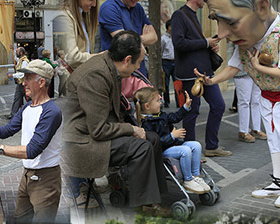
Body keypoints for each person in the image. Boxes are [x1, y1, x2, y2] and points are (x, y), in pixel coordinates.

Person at [200, 0, 280, 207]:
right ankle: (278, 182)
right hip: (270, 97)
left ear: (261, 7)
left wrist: (258, 68)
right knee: (274, 140)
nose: (222, 32)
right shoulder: (247, 39)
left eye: (230, 22)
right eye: (217, 20)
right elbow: (234, 67)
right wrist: (212, 80)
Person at [63, 32, 170, 214]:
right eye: (139, 62)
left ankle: (157, 198)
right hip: (82, 141)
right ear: (128, 59)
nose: (139, 67)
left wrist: (133, 128)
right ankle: (143, 205)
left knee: (152, 139)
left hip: (93, 132)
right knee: (140, 147)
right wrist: (131, 129)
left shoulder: (109, 66)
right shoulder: (97, 75)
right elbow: (98, 130)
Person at [0, 60, 62, 222]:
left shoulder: (51, 112)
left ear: (42, 82)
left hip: (45, 180)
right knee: (21, 222)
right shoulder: (27, 107)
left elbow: (32, 151)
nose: (23, 82)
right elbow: (6, 130)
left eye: (28, 78)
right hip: (27, 177)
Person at [170, 0, 230, 159]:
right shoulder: (179, 15)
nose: (207, 0)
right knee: (191, 111)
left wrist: (208, 45)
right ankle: (192, 150)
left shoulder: (192, 15)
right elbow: (179, 43)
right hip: (190, 75)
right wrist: (205, 42)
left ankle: (211, 146)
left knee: (219, 106)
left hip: (204, 73)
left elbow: (190, 42)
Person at [135, 86, 210, 194]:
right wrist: (172, 136)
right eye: (157, 101)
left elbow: (175, 117)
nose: (160, 103)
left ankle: (196, 176)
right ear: (147, 106)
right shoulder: (146, 124)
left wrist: (185, 107)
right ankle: (188, 180)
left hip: (172, 145)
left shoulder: (160, 115)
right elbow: (154, 143)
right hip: (162, 150)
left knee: (196, 145)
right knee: (185, 151)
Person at [98, 0, 157, 77]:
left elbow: (154, 37)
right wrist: (142, 38)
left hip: (139, 71)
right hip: (119, 74)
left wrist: (135, 40)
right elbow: (125, 43)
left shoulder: (138, 8)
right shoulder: (109, 8)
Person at [58, 0, 102, 73]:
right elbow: (73, 57)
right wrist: (98, 57)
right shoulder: (65, 17)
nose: (94, 4)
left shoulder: (83, 16)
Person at [161, 20, 175, 105]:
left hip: (175, 61)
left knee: (177, 82)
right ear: (169, 27)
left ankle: (179, 102)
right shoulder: (163, 39)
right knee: (166, 83)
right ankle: (166, 101)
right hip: (166, 62)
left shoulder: (175, 37)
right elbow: (161, 51)